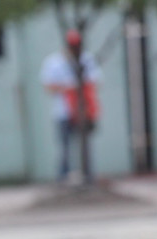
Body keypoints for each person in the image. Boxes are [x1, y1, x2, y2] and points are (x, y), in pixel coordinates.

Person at [41, 29, 102, 184]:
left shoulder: (87, 59)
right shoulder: (54, 62)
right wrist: (68, 88)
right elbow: (48, 87)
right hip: (63, 112)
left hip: (83, 111)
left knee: (86, 147)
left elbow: (94, 82)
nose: (75, 49)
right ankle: (63, 179)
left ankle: (88, 177)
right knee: (64, 148)